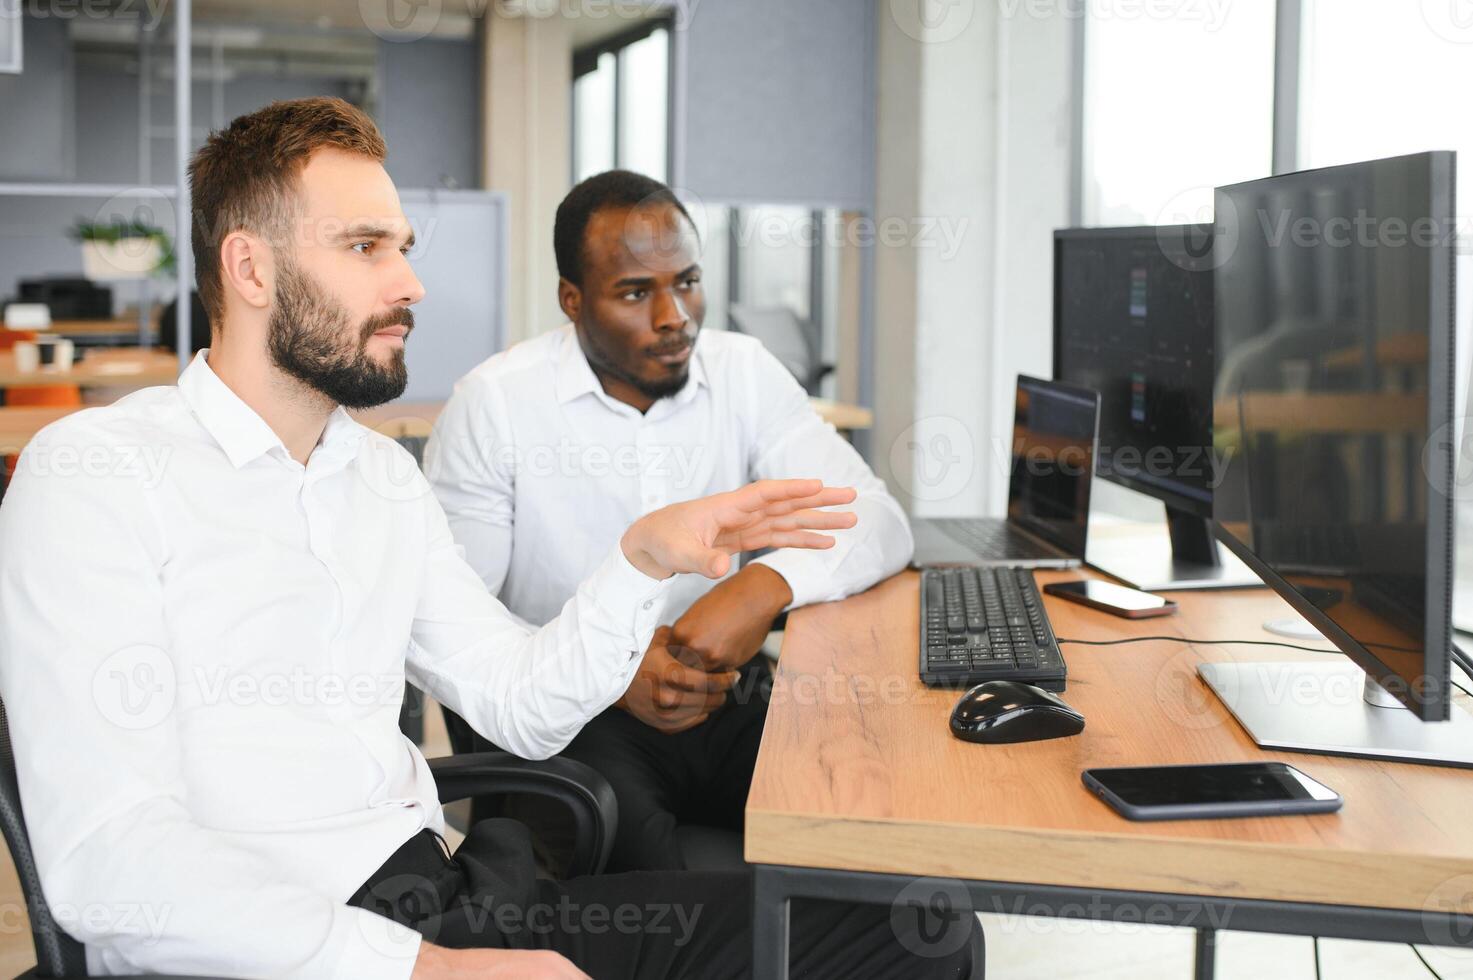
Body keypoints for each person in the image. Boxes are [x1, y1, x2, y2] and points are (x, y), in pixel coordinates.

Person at [0, 98, 976, 979]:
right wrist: (421, 971)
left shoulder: (379, 477)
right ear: (250, 267)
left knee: (914, 930)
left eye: (404, 245)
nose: (412, 281)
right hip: (273, 948)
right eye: (366, 246)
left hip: (450, 901)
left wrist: (641, 559)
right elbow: (108, 859)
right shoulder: (96, 475)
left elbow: (521, 704)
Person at [425, 170, 913, 872]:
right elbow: (454, 622)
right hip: (577, 718)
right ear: (572, 300)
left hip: (723, 689)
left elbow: (877, 518)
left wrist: (759, 588)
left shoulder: (741, 371)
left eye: (686, 281)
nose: (674, 315)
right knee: (654, 893)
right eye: (634, 292)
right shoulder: (495, 403)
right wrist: (608, 671)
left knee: (862, 823)